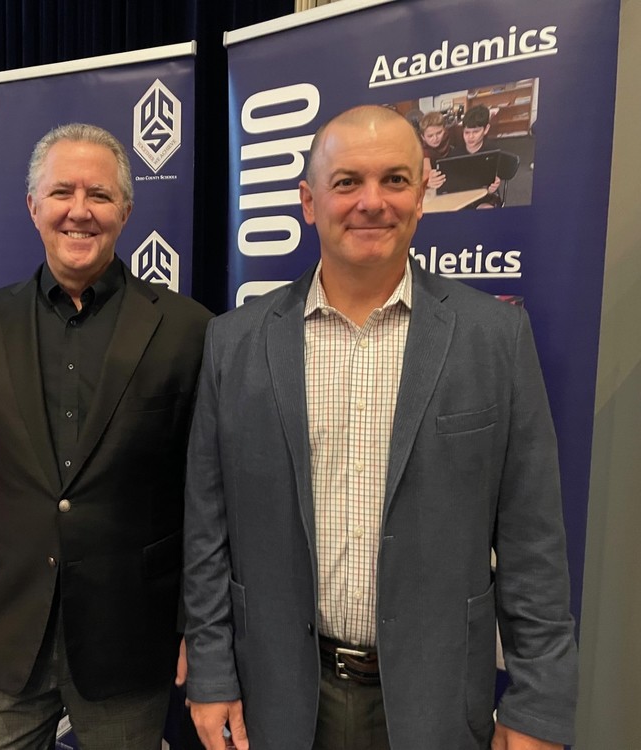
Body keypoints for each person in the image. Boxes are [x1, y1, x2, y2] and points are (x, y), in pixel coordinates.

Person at [182, 106, 577, 749]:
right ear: (308, 202)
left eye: (395, 180)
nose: (372, 202)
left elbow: (533, 540)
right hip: (277, 698)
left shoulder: (495, 337)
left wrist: (538, 704)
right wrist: (209, 669)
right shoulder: (234, 343)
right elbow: (208, 528)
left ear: (421, 195)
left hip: (436, 703)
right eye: (346, 182)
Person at [0, 123, 212, 750]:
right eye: (62, 192)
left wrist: (197, 625)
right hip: (3, 627)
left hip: (130, 634)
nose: (79, 211)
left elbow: (202, 495)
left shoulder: (189, 329)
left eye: (99, 195)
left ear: (126, 210)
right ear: (33, 206)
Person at [418, 110, 452, 191]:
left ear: (444, 129)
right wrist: (427, 180)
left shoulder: (453, 135)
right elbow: (426, 169)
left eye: (439, 133)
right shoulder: (422, 149)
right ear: (423, 137)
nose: (435, 138)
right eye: (430, 136)